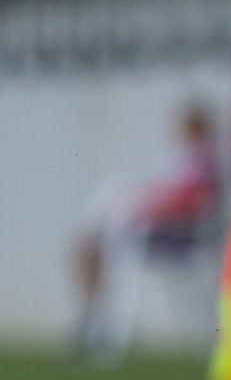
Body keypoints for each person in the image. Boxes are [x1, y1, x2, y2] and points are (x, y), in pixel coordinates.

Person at [73, 104, 222, 360]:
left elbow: (190, 204)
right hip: (157, 230)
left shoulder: (202, 162)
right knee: (105, 212)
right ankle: (97, 315)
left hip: (175, 237)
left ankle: (102, 323)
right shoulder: (184, 159)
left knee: (112, 225)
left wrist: (150, 206)